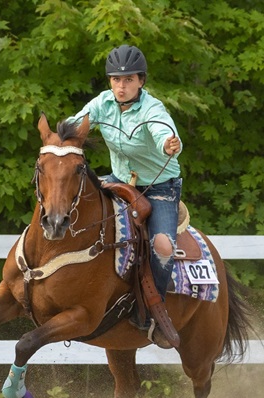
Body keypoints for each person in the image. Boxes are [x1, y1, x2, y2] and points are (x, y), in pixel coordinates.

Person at [72, 44, 183, 348]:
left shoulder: (153, 109)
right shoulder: (103, 103)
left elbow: (166, 135)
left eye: (128, 80)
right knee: (76, 211)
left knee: (162, 246)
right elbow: (78, 122)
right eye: (115, 80)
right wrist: (61, 134)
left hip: (159, 186)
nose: (121, 87)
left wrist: (170, 145)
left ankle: (155, 313)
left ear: (141, 81)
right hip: (119, 180)